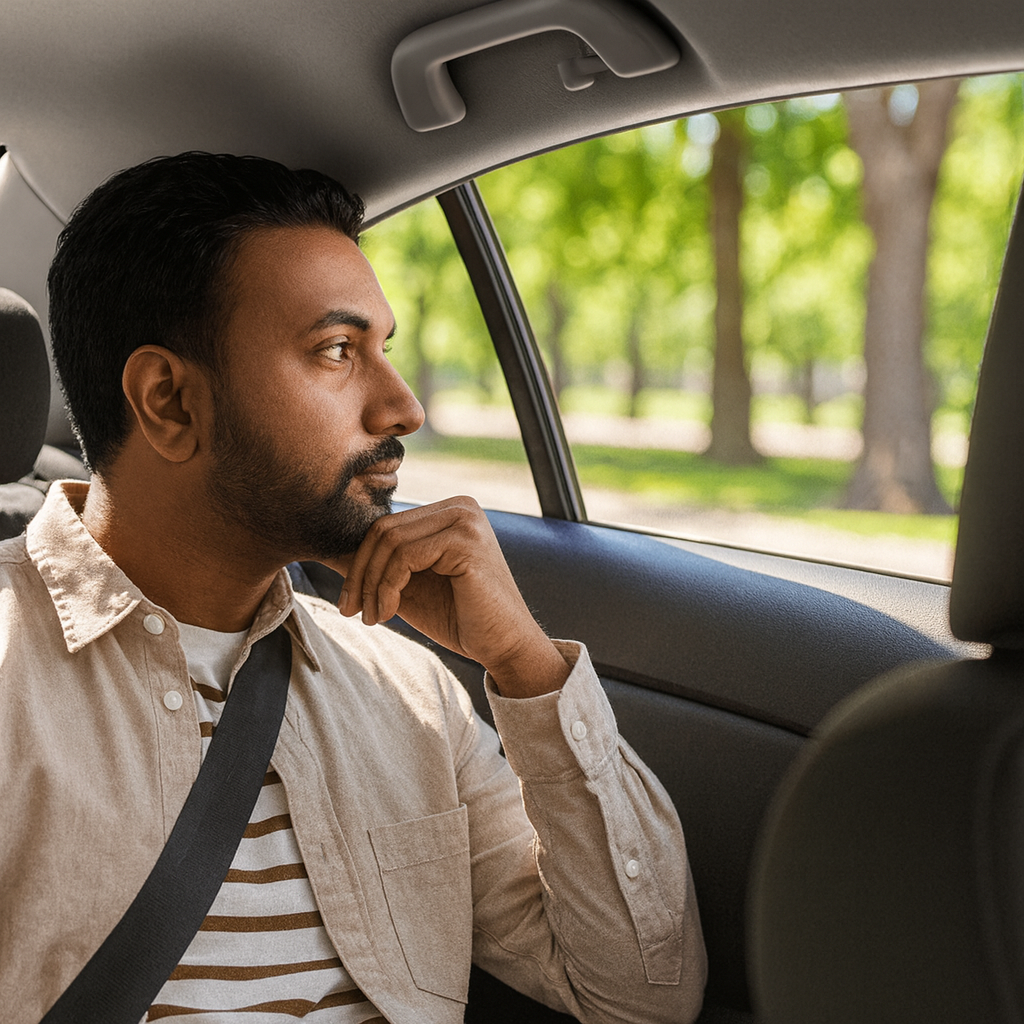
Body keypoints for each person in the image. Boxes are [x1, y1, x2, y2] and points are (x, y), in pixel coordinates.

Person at [0, 152, 706, 1024]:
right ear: (169, 402)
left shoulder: (406, 694)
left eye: (384, 350)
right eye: (337, 350)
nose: (404, 406)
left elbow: (643, 998)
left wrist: (523, 663)